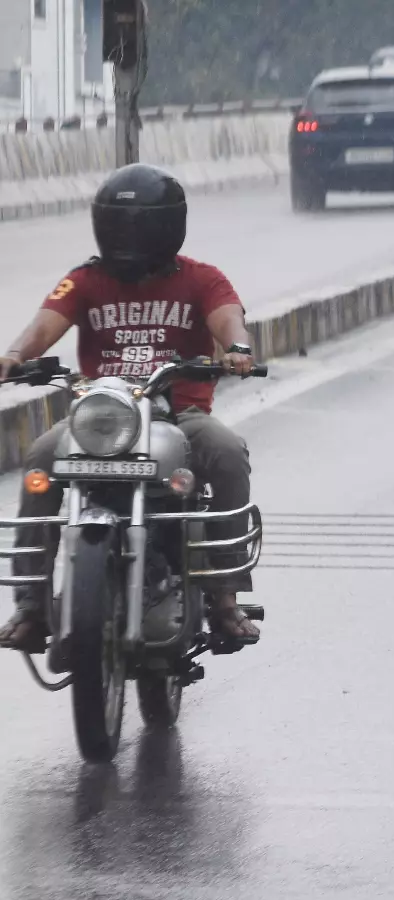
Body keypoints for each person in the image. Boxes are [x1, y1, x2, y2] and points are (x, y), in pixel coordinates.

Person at [0, 164, 261, 651]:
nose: (126, 238)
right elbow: (45, 323)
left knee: (227, 452)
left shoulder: (202, 278)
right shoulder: (84, 279)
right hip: (102, 419)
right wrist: (15, 356)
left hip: (178, 416)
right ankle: (31, 606)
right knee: (40, 460)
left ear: (167, 227)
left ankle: (225, 597)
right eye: (117, 227)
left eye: (137, 227)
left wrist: (238, 350)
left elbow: (228, 319)